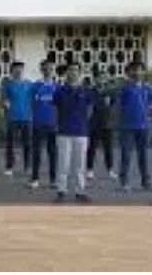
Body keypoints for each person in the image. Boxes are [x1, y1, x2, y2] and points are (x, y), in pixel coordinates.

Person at [53, 62, 93, 203]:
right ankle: (61, 190)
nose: (73, 73)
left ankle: (80, 191)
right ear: (67, 73)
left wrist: (84, 124)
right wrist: (57, 125)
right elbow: (55, 110)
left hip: (81, 132)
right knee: (63, 163)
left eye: (76, 70)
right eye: (70, 70)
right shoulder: (59, 91)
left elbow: (89, 110)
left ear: (80, 73)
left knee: (80, 164)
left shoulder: (86, 91)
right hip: (64, 132)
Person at [118, 61, 152, 191]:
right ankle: (124, 182)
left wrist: (150, 119)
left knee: (143, 155)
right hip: (127, 127)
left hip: (144, 126)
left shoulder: (148, 88)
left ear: (143, 72)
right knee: (126, 155)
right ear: (129, 72)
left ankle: (146, 182)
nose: (137, 72)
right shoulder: (124, 88)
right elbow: (119, 106)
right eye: (134, 70)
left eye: (140, 70)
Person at [29, 60, 59, 190]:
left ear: (53, 70)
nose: (48, 71)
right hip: (38, 124)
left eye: (50, 69)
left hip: (53, 124)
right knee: (36, 152)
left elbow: (61, 106)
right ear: (41, 70)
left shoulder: (58, 87)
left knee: (53, 153)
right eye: (45, 69)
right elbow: (30, 103)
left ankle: (53, 180)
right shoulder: (35, 86)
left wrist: (58, 122)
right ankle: (35, 179)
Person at [1, 61, 32, 176]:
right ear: (12, 70)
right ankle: (9, 166)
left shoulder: (29, 84)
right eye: (16, 69)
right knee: (10, 144)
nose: (19, 71)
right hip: (12, 118)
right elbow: (4, 99)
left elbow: (33, 99)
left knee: (27, 144)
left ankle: (27, 166)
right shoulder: (7, 84)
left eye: (21, 69)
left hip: (26, 118)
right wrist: (5, 107)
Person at [86, 69, 116, 181]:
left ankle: (110, 169)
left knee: (108, 149)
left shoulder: (110, 91)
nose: (102, 80)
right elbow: (89, 106)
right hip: (94, 124)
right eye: (100, 77)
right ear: (95, 79)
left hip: (107, 124)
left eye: (104, 77)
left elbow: (113, 105)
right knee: (92, 148)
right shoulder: (90, 91)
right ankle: (89, 170)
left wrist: (109, 102)